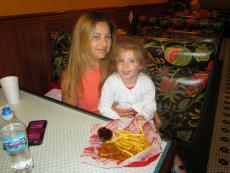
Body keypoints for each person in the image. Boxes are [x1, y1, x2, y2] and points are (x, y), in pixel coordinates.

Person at [60, 11, 116, 113]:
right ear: (81, 39)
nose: (104, 43)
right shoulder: (71, 77)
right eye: (96, 37)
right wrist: (108, 111)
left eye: (107, 37)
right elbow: (69, 117)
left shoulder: (117, 67)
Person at [98, 37, 157, 121]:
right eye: (121, 61)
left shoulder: (146, 83)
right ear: (116, 63)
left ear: (141, 64)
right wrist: (117, 117)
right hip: (116, 120)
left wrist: (143, 116)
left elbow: (151, 105)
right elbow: (103, 107)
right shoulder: (111, 82)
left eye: (131, 61)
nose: (125, 66)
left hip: (142, 121)